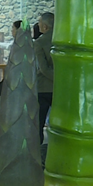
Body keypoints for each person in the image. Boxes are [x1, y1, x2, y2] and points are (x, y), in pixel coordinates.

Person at [35, 12, 55, 145]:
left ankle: (37, 148)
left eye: (40, 23)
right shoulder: (62, 41)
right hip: (59, 89)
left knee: (39, 122)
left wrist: (55, 78)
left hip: (43, 87)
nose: (38, 25)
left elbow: (43, 68)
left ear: (45, 27)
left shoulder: (39, 42)